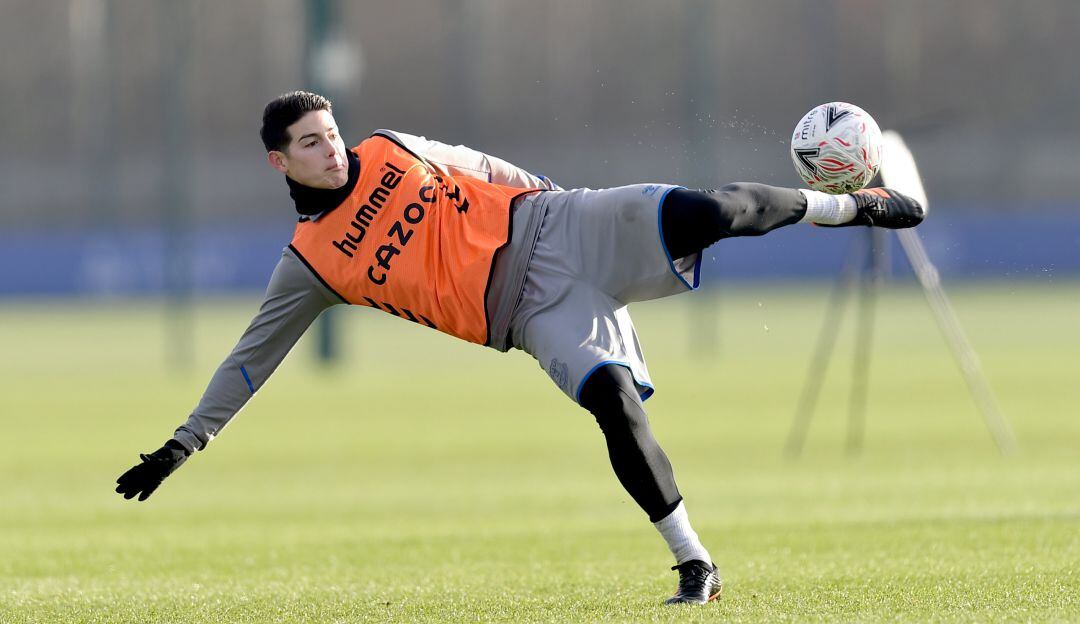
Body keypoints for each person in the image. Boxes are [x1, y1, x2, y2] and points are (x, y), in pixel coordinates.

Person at [115, 91, 923, 605]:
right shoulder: (310, 263)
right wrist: (186, 442)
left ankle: (863, 207)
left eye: (331, 134)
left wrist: (548, 199)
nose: (333, 150)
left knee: (708, 210)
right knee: (610, 402)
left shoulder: (391, 148)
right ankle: (695, 565)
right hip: (528, 309)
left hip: (558, 222)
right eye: (312, 144)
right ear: (279, 161)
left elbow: (479, 165)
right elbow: (252, 358)